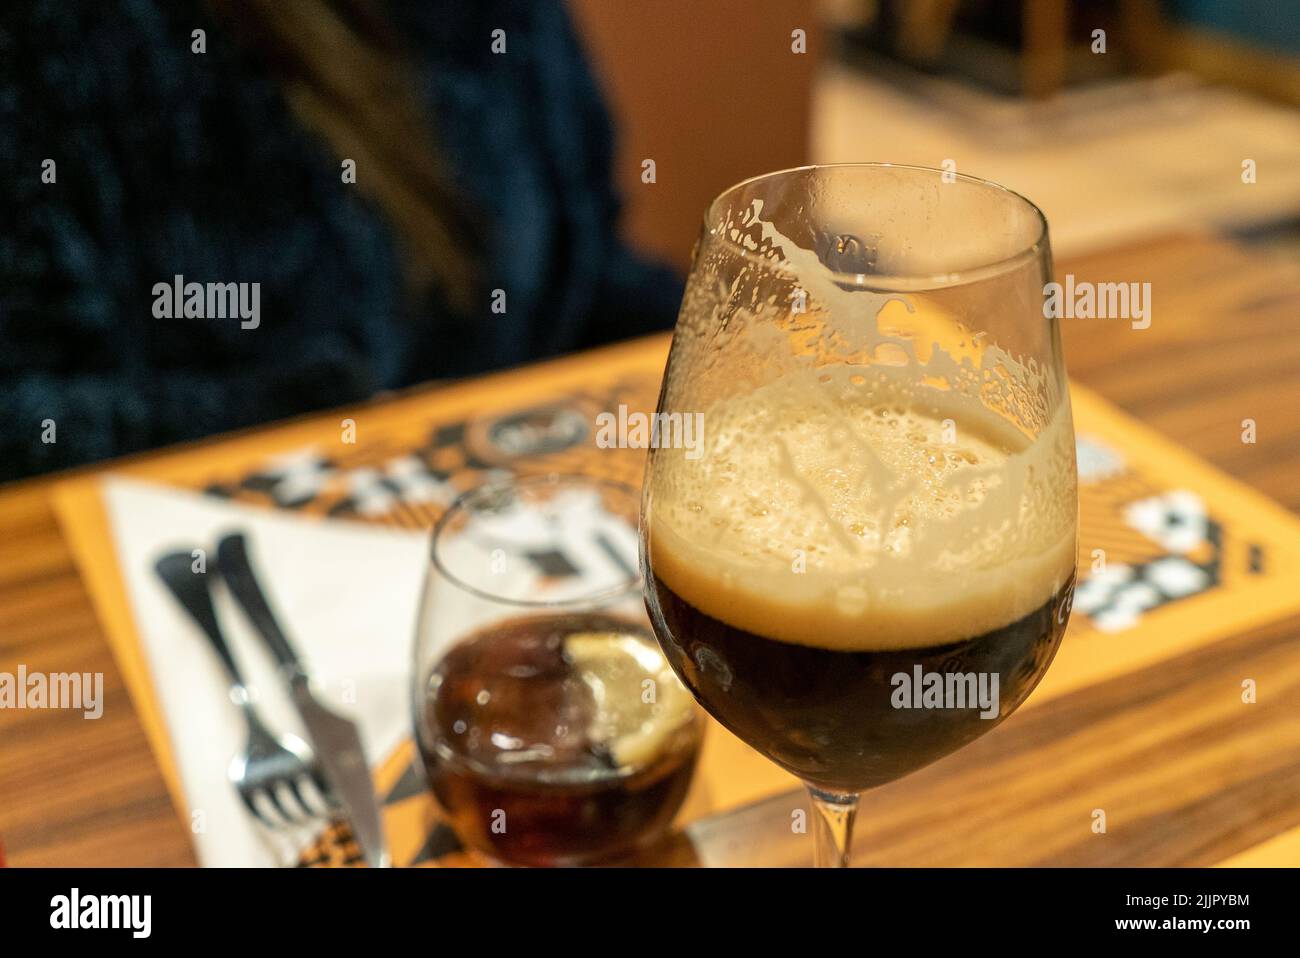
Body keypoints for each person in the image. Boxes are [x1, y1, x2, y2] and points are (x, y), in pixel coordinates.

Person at [0, 0, 681, 483]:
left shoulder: (504, 25)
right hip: (210, 564)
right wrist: (329, 422)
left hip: (520, 525)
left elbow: (588, 278)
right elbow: (26, 418)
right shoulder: (66, 40)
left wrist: (736, 347)